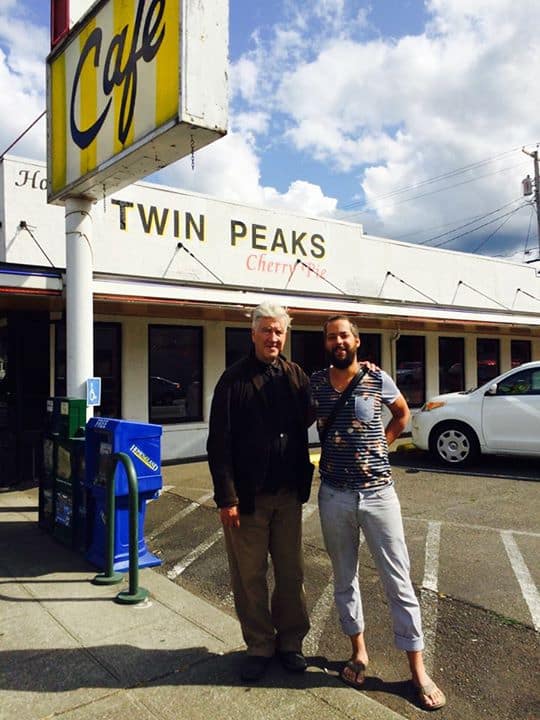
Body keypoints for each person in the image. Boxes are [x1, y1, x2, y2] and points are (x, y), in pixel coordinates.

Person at [310, 315, 446, 712]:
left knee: (398, 581)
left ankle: (417, 670)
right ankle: (359, 653)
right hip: (334, 495)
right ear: (327, 343)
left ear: (357, 340)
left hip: (379, 495)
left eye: (345, 335)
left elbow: (402, 414)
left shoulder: (377, 377)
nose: (339, 341)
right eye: (332, 336)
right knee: (344, 578)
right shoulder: (316, 384)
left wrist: (383, 446)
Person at [207, 302, 315, 682]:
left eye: (279, 332)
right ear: (252, 334)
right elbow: (218, 443)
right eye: (266, 330)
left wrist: (357, 373)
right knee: (249, 577)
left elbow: (314, 413)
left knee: (291, 574)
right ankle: (258, 645)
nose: (273, 338)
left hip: (288, 496)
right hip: (247, 501)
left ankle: (290, 644)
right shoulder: (232, 381)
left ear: (285, 336)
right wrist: (227, 498)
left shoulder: (296, 375)